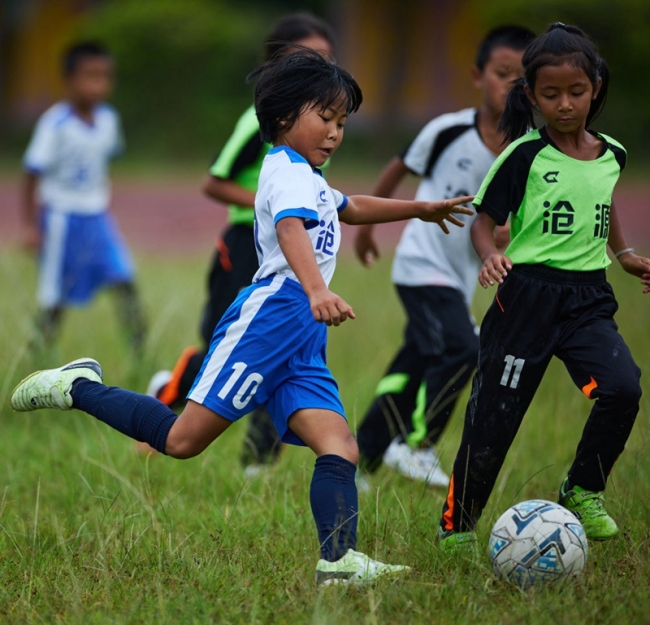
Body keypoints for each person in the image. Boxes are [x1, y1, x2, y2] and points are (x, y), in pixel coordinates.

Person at [11, 50, 474, 586]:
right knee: (183, 441)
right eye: (325, 118)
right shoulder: (286, 173)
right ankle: (77, 386)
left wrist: (418, 208)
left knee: (339, 445)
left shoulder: (309, 176)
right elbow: (290, 229)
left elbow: (349, 206)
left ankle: (338, 560)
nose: (335, 133)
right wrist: (317, 288)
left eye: (342, 123)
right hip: (271, 317)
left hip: (302, 334)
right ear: (282, 119)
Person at [436, 23, 650, 551]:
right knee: (493, 421)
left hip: (588, 299)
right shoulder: (523, 156)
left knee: (622, 388)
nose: (565, 104)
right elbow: (484, 222)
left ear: (596, 86)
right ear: (531, 94)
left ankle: (581, 489)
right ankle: (457, 528)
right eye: (550, 94)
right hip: (525, 298)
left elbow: (603, 201)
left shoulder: (612, 154)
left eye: (576, 92)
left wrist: (622, 255)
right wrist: (491, 257)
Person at [143, 13, 336, 472]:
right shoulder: (259, 123)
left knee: (275, 345)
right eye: (309, 59)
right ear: (276, 64)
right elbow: (214, 181)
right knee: (226, 345)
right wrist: (275, 204)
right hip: (247, 242)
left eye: (328, 59)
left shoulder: (319, 126)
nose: (321, 70)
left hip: (284, 246)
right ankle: (169, 392)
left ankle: (259, 457)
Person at [354, 26, 535, 488]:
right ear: (478, 75)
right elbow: (397, 169)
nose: (510, 86)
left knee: (414, 363)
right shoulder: (448, 129)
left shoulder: (530, 149)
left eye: (522, 78)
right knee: (460, 349)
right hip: (420, 265)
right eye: (502, 73)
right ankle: (417, 445)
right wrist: (367, 232)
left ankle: (362, 460)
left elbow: (515, 219)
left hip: (459, 277)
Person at [21, 42, 146, 350]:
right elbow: (31, 173)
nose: (98, 84)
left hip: (98, 216)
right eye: (90, 76)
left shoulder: (108, 120)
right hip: (62, 218)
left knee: (124, 279)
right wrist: (32, 227)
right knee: (55, 296)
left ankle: (141, 350)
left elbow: (103, 161)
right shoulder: (55, 124)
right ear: (69, 79)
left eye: (105, 77)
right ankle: (38, 353)